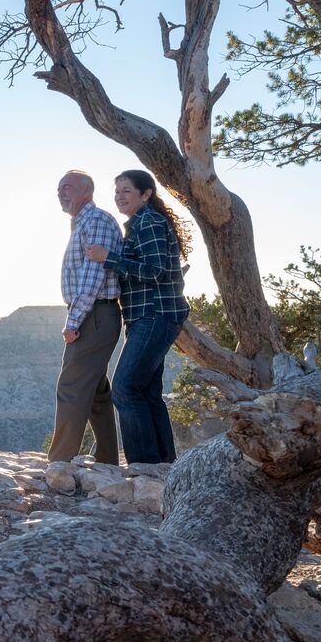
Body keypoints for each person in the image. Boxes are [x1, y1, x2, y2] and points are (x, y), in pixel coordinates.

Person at [85, 168, 191, 465]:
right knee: (147, 391)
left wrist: (108, 258)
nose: (119, 197)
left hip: (154, 314)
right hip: (148, 315)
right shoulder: (141, 223)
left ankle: (144, 465)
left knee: (126, 388)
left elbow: (155, 271)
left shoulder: (150, 223)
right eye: (117, 191)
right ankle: (163, 465)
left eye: (126, 191)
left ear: (146, 194)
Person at [50, 171, 123, 463]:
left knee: (71, 386)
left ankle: (59, 461)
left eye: (67, 186)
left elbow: (92, 277)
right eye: (58, 188)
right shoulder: (83, 223)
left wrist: (73, 321)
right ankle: (107, 457)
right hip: (95, 313)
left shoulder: (96, 221)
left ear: (87, 190)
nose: (61, 192)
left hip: (95, 314)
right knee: (96, 391)